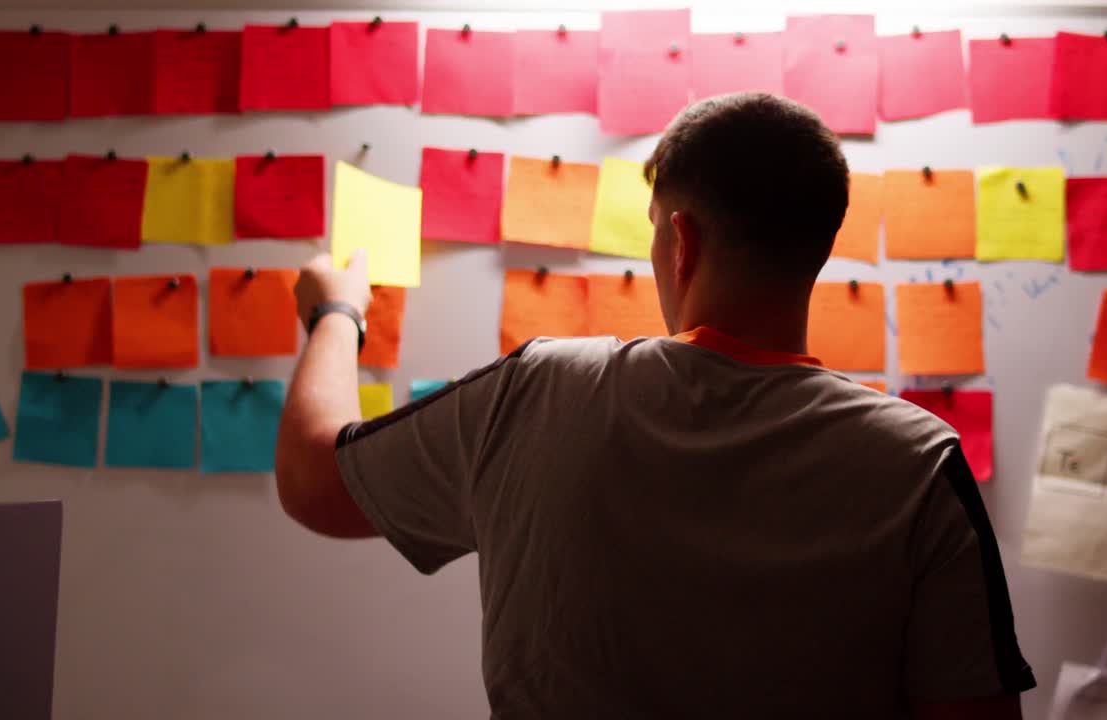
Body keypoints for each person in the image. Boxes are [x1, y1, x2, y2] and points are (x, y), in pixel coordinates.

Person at [276, 92, 1035, 719]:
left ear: (682, 242)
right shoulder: (920, 461)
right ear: (819, 246)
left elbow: (314, 480)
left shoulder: (539, 390)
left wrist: (336, 313)